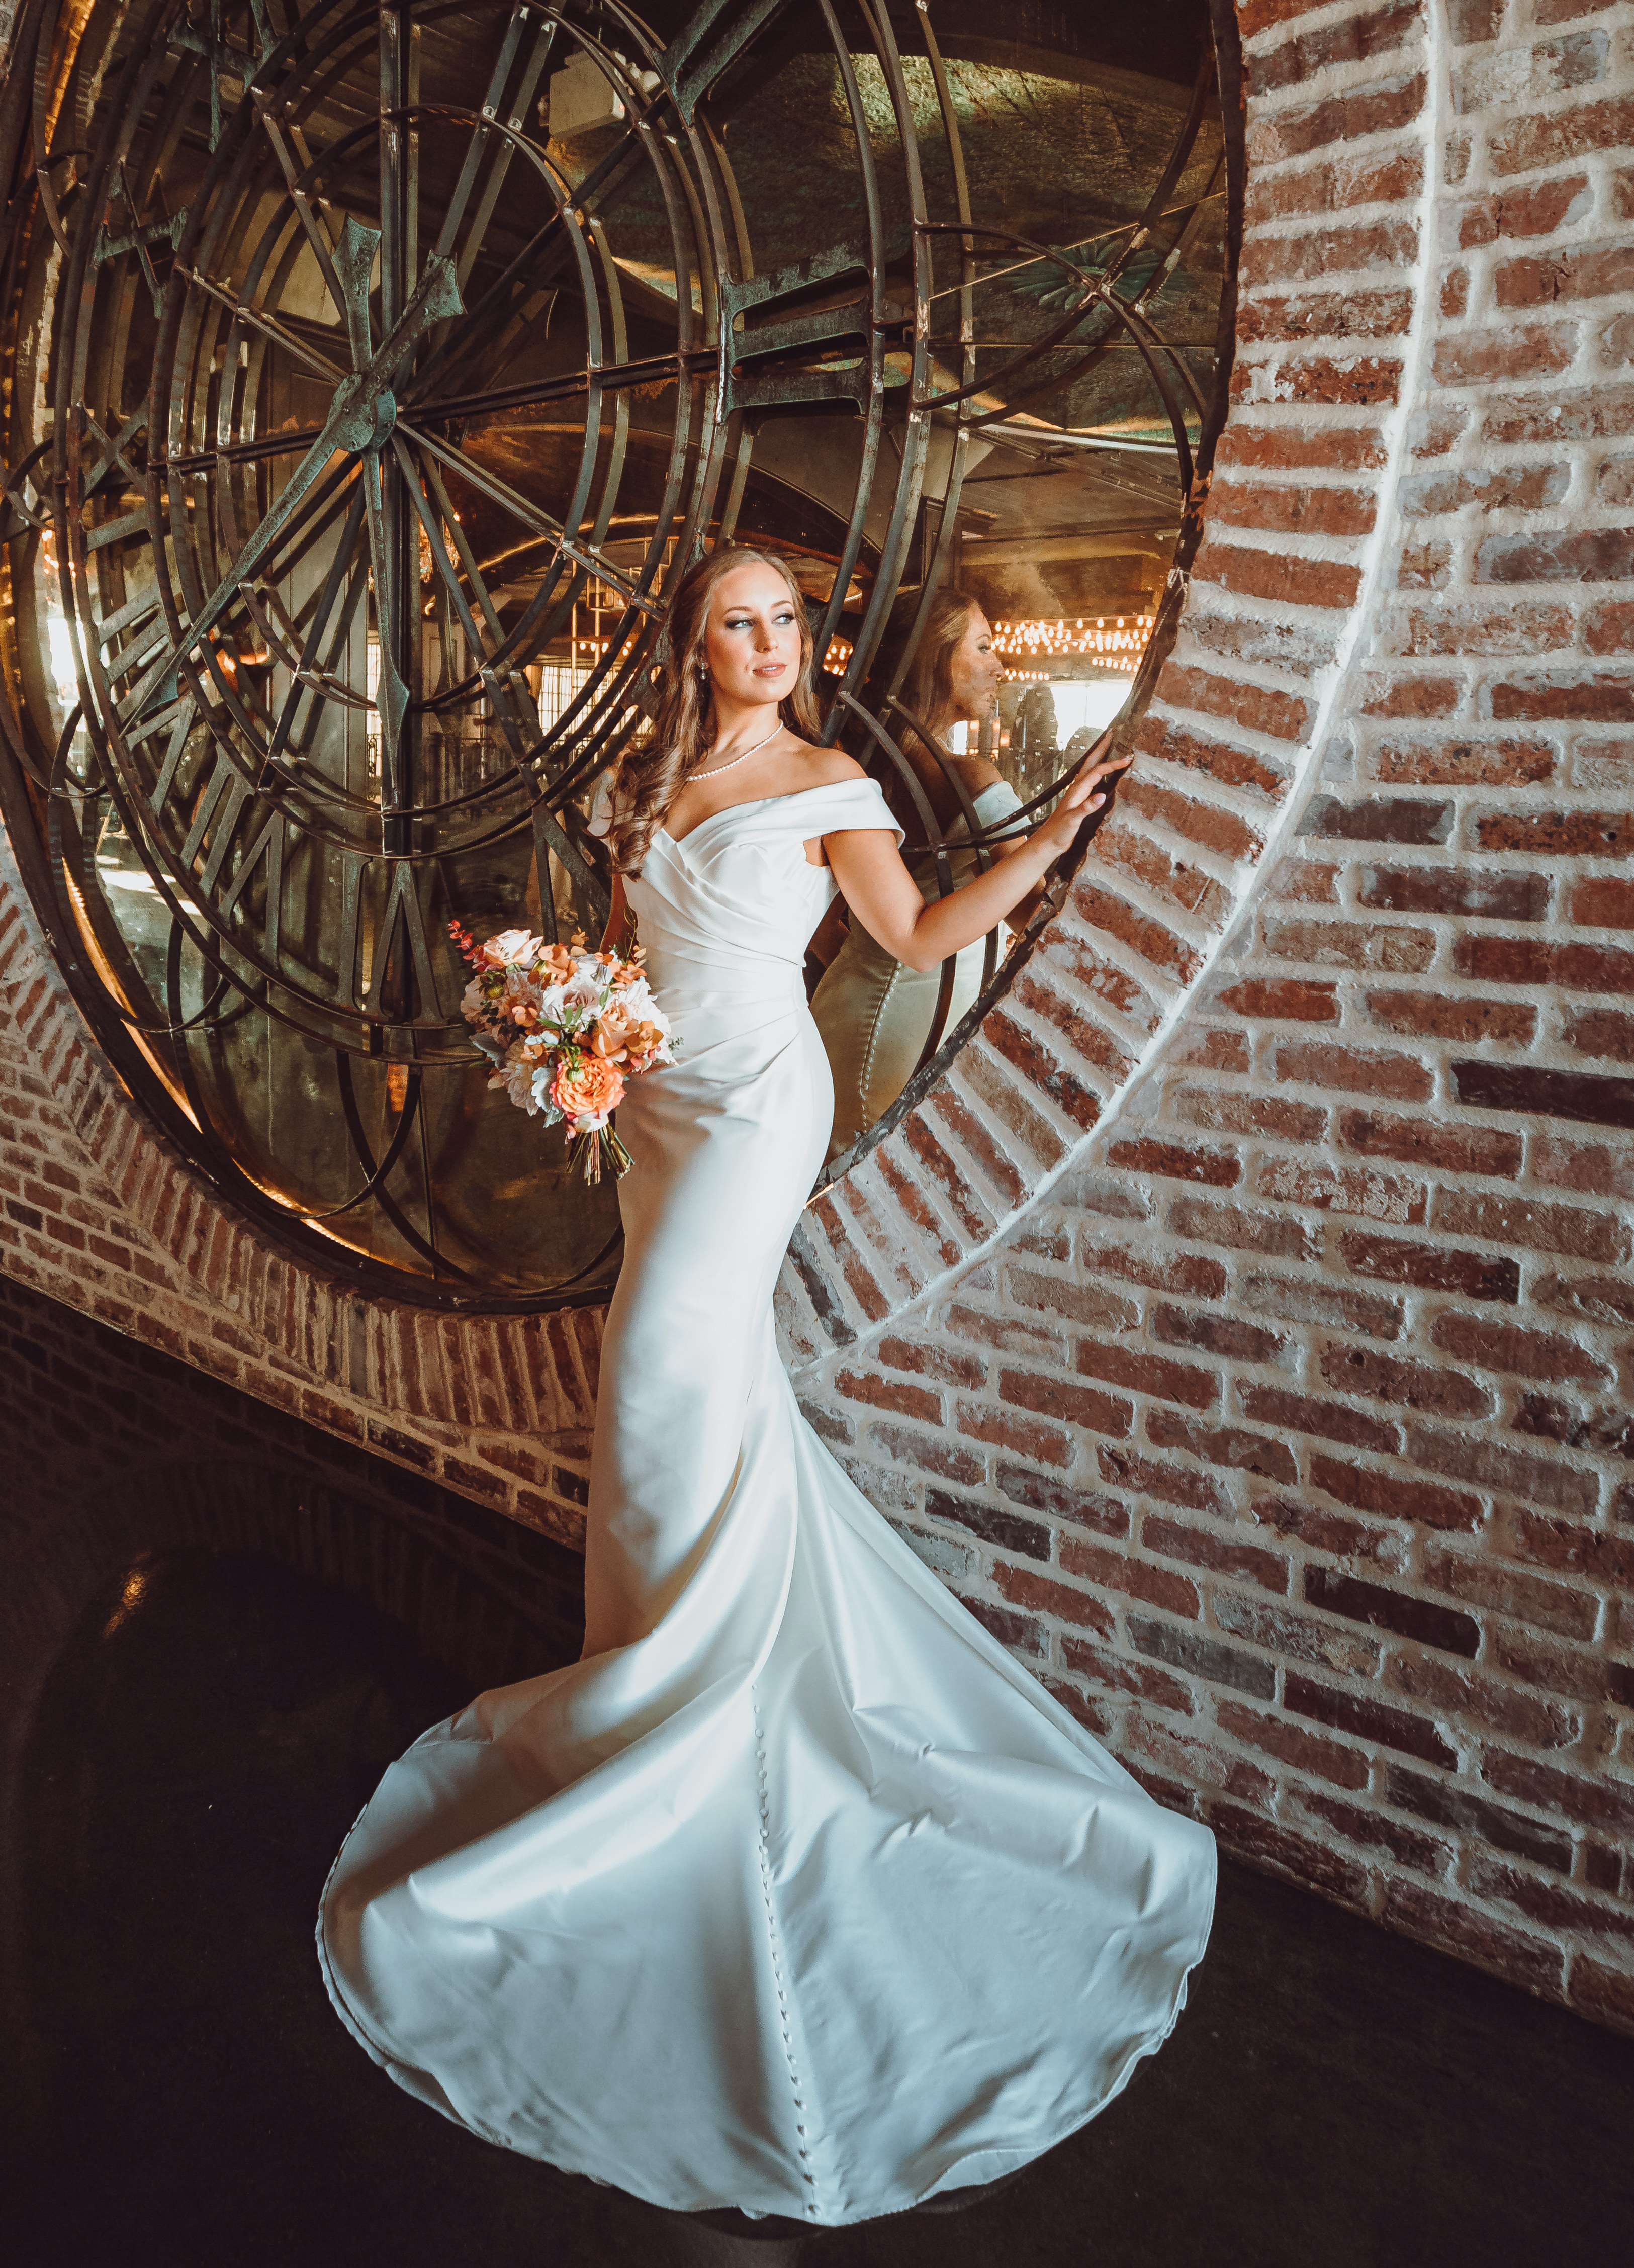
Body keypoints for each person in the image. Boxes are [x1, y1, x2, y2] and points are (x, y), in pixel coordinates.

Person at [317, 546, 1215, 2229]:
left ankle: (688, 1716)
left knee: (666, 1374)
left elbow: (918, 928)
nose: (762, 642)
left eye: (784, 621)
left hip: (753, 1115)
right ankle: (654, 1676)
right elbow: (620, 955)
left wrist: (1052, 832)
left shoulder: (828, 778)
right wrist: (570, 1028)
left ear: (806, 643)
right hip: (664, 1111)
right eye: (736, 619)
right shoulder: (654, 777)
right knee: (671, 1403)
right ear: (697, 641)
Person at [811, 588, 1047, 1159]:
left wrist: (874, 961)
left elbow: (818, 925)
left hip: (851, 1009)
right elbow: (1033, 912)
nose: (1000, 666)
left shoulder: (855, 769)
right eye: (984, 646)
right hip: (912, 1029)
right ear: (934, 660)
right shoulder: (970, 778)